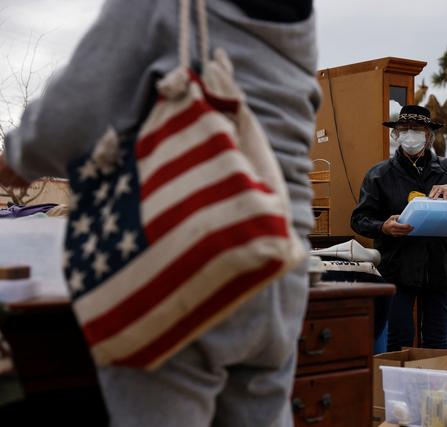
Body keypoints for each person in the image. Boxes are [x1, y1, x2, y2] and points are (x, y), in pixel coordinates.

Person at [0, 1, 320, 426]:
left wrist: (19, 157)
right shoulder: (299, 15)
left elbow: (75, 110)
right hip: (278, 255)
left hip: (188, 244)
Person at [350, 105, 447, 351]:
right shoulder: (379, 175)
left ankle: (433, 389)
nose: (410, 135)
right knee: (397, 339)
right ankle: (394, 387)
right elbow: (359, 219)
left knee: (437, 340)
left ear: (428, 135)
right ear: (395, 135)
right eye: (404, 129)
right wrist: (384, 227)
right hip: (397, 266)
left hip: (441, 265)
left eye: (417, 129)